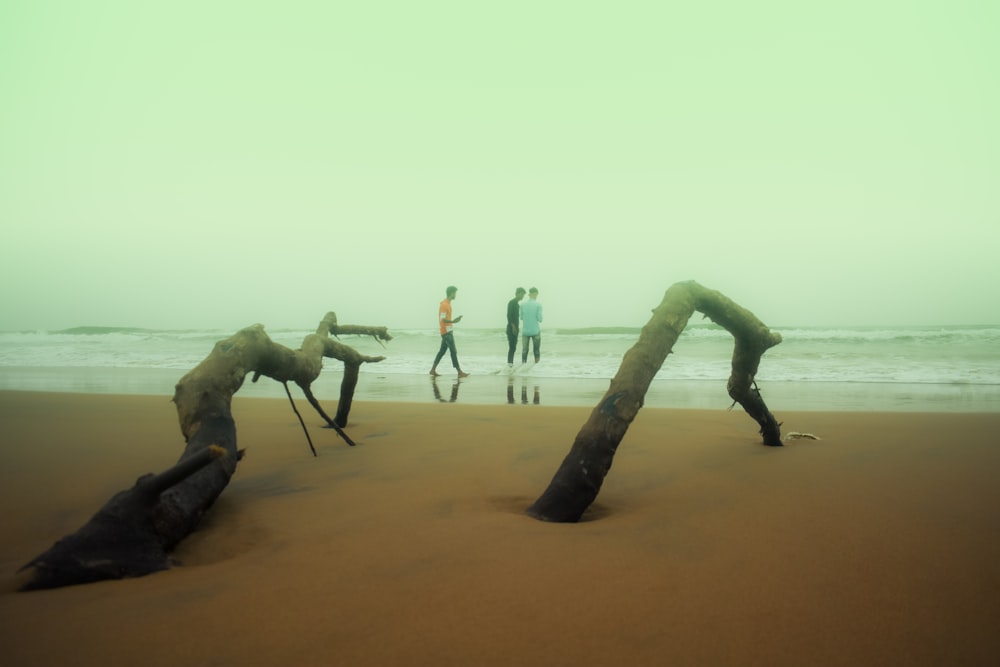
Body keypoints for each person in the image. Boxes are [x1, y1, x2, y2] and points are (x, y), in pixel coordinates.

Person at [430, 285, 470, 377]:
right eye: (455, 293)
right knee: (453, 351)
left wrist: (453, 321)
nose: (456, 295)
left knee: (442, 352)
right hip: (446, 332)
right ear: (451, 293)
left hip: (447, 331)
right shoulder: (444, 305)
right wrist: (453, 321)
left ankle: (432, 370)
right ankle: (459, 372)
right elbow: (442, 319)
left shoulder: (448, 304)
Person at [520, 286, 543, 364]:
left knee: (524, 350)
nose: (537, 296)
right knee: (536, 350)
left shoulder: (522, 304)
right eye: (537, 295)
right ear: (535, 294)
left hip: (525, 331)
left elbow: (521, 317)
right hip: (535, 331)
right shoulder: (538, 305)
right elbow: (540, 319)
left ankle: (523, 366)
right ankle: (536, 366)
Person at [506, 287, 526, 368]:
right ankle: (509, 364)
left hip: (515, 328)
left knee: (513, 347)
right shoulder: (512, 303)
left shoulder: (517, 305)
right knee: (512, 347)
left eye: (523, 295)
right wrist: (514, 327)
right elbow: (509, 316)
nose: (522, 296)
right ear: (517, 293)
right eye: (522, 294)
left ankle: (510, 364)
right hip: (511, 328)